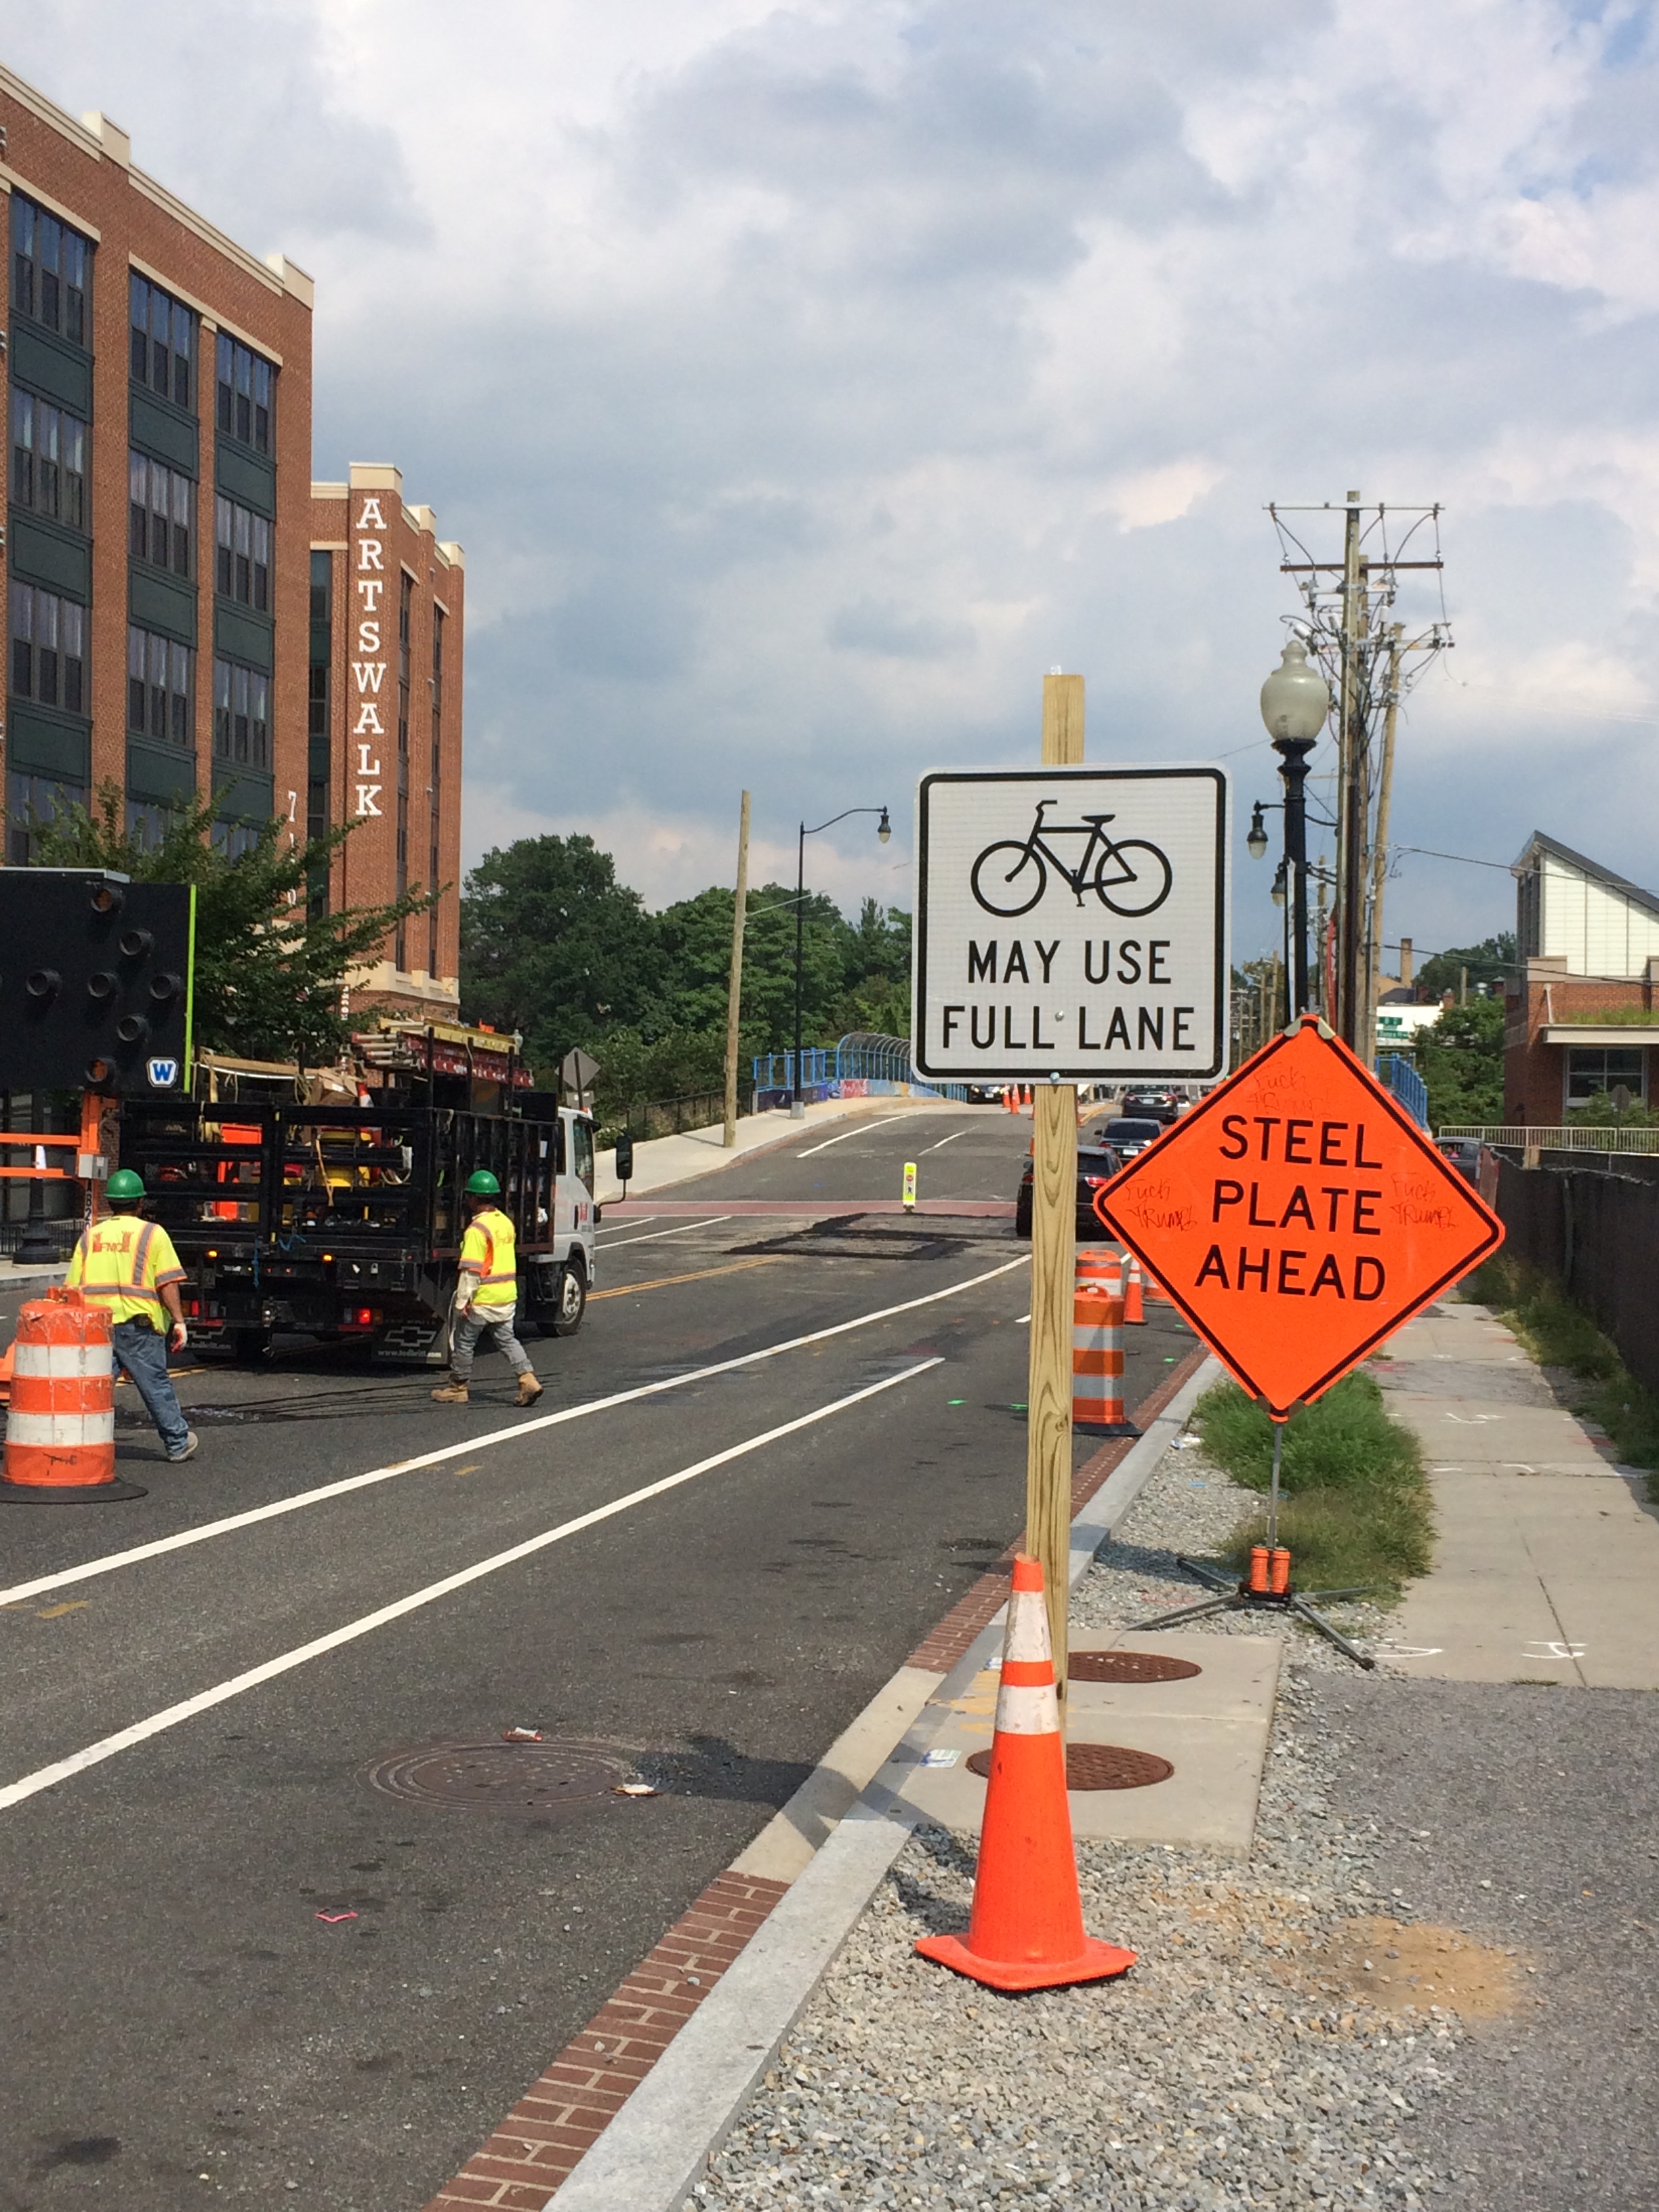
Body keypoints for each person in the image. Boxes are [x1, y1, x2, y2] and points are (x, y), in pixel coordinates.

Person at [64, 1168, 198, 1463]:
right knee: (155, 1385)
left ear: (111, 1203)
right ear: (140, 1203)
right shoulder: (153, 1234)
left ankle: (75, 1448)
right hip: (138, 1329)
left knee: (92, 1391)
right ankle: (177, 1443)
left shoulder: (91, 1237)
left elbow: (71, 1288)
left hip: (96, 1328)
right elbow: (167, 1282)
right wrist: (179, 1321)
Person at [430, 1170, 544, 1407]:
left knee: (464, 1342)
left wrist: (462, 1302)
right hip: (506, 1295)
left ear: (472, 1198)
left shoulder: (477, 1230)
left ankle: (458, 1388)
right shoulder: (505, 1222)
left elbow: (471, 1271)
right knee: (507, 1340)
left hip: (484, 1299)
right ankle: (528, 1379)